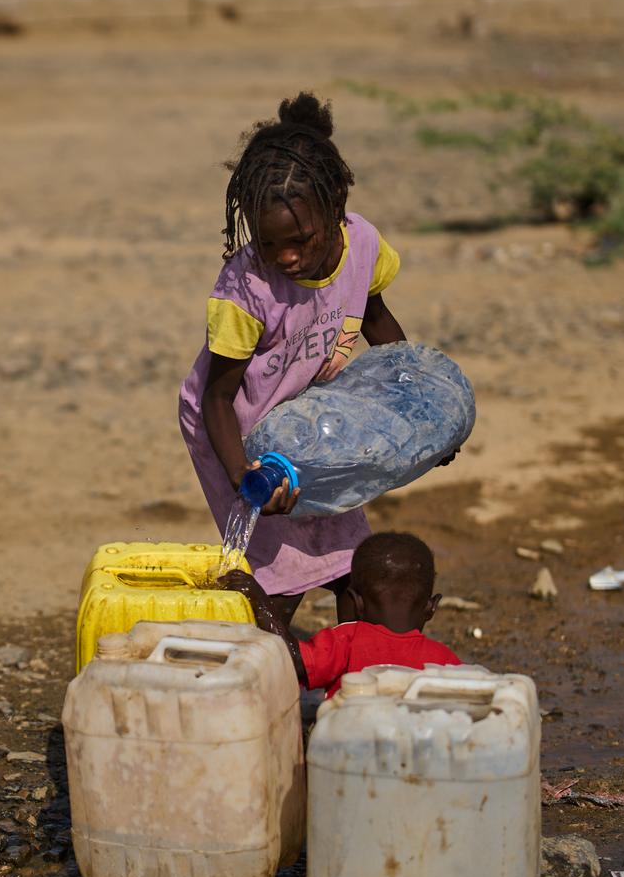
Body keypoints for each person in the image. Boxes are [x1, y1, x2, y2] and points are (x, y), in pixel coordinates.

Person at [179, 91, 409, 626]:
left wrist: (416, 410)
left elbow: (378, 322)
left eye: (302, 240)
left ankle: (349, 684)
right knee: (280, 576)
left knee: (349, 565)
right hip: (234, 431)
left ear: (335, 211)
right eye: (269, 243)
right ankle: (266, 681)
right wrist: (244, 477)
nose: (287, 256)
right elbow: (217, 396)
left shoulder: (363, 246)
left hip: (306, 425)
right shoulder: (247, 289)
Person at [219, 531, 461, 697]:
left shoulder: (347, 640)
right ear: (432, 607)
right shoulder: (445, 660)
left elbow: (292, 659)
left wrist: (258, 599)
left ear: (357, 603)